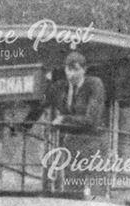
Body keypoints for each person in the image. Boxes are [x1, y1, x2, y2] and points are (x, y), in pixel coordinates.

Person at [22, 50, 107, 193]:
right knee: (72, 188)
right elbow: (40, 106)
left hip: (95, 142)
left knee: (96, 189)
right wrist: (24, 126)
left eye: (76, 70)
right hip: (72, 143)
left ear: (84, 70)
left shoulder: (94, 84)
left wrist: (64, 119)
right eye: (68, 69)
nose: (71, 74)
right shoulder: (59, 88)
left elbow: (92, 120)